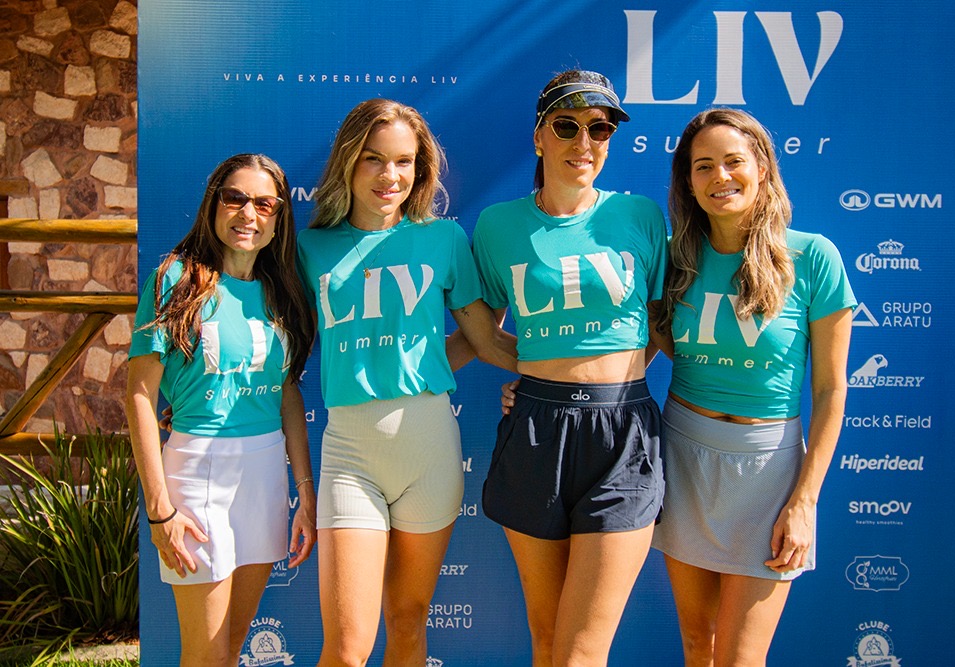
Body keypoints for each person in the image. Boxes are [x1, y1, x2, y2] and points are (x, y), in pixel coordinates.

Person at [297, 98, 517, 667]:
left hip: (429, 449)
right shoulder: (306, 249)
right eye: (374, 159)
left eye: (404, 162)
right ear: (348, 160)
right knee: (346, 649)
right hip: (349, 453)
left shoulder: (443, 239)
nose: (389, 176)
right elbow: (270, 349)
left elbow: (487, 340)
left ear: (420, 170)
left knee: (408, 625)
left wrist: (578, 377)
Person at [471, 70, 668, 666]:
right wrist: (536, 377)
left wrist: (604, 377)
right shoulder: (498, 226)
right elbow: (484, 332)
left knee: (582, 650)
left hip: (624, 433)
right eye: (567, 126)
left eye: (600, 129)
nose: (584, 142)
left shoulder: (639, 216)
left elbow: (658, 327)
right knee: (549, 640)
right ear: (539, 137)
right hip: (536, 431)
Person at [649, 108, 855, 666]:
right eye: (703, 166)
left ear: (761, 167)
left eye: (734, 162)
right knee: (699, 647)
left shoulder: (812, 257)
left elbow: (832, 391)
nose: (720, 177)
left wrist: (804, 502)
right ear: (687, 181)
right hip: (684, 461)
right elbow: (633, 345)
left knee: (741, 658)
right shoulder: (673, 257)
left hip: (769, 474)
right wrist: (541, 390)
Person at [125, 153, 316, 667]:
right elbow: (139, 396)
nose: (247, 213)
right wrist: (160, 507)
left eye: (263, 203)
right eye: (234, 198)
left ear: (279, 219)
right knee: (205, 655)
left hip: (265, 475)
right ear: (213, 205)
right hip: (196, 473)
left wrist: (305, 490)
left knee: (232, 649)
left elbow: (288, 394)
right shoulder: (177, 280)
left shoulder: (283, 293)